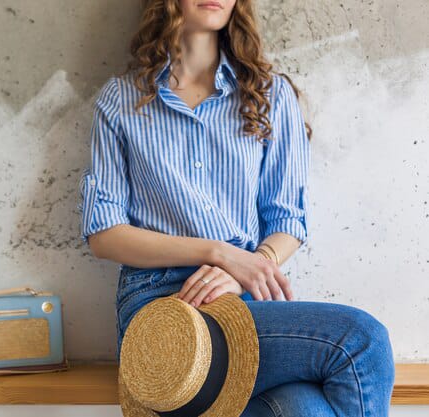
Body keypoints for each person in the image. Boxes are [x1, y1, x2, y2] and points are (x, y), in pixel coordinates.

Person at [77, 0, 396, 415]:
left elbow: (288, 219)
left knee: (304, 409)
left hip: (244, 295)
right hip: (160, 305)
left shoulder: (268, 94)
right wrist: (220, 254)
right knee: (362, 340)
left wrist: (248, 268)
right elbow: (104, 234)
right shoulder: (121, 101)